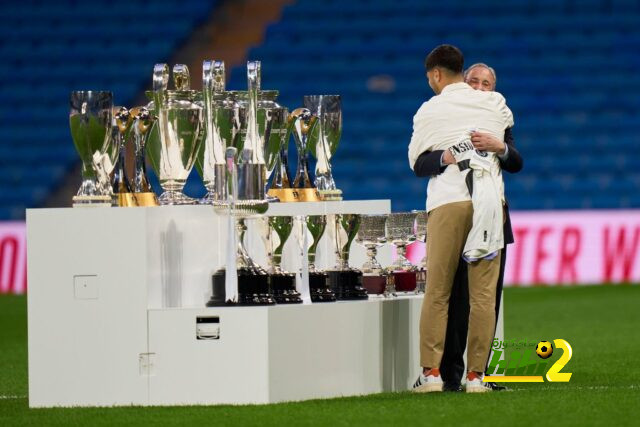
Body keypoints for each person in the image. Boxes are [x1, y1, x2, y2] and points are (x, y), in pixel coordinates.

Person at [407, 45, 514, 393]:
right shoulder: (495, 103)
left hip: (449, 201)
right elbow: (506, 140)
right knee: (484, 296)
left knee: (437, 291)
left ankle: (432, 374)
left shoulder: (429, 110)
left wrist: (446, 155)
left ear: (436, 74)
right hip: (489, 204)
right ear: (463, 72)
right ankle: (477, 376)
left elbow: (417, 164)